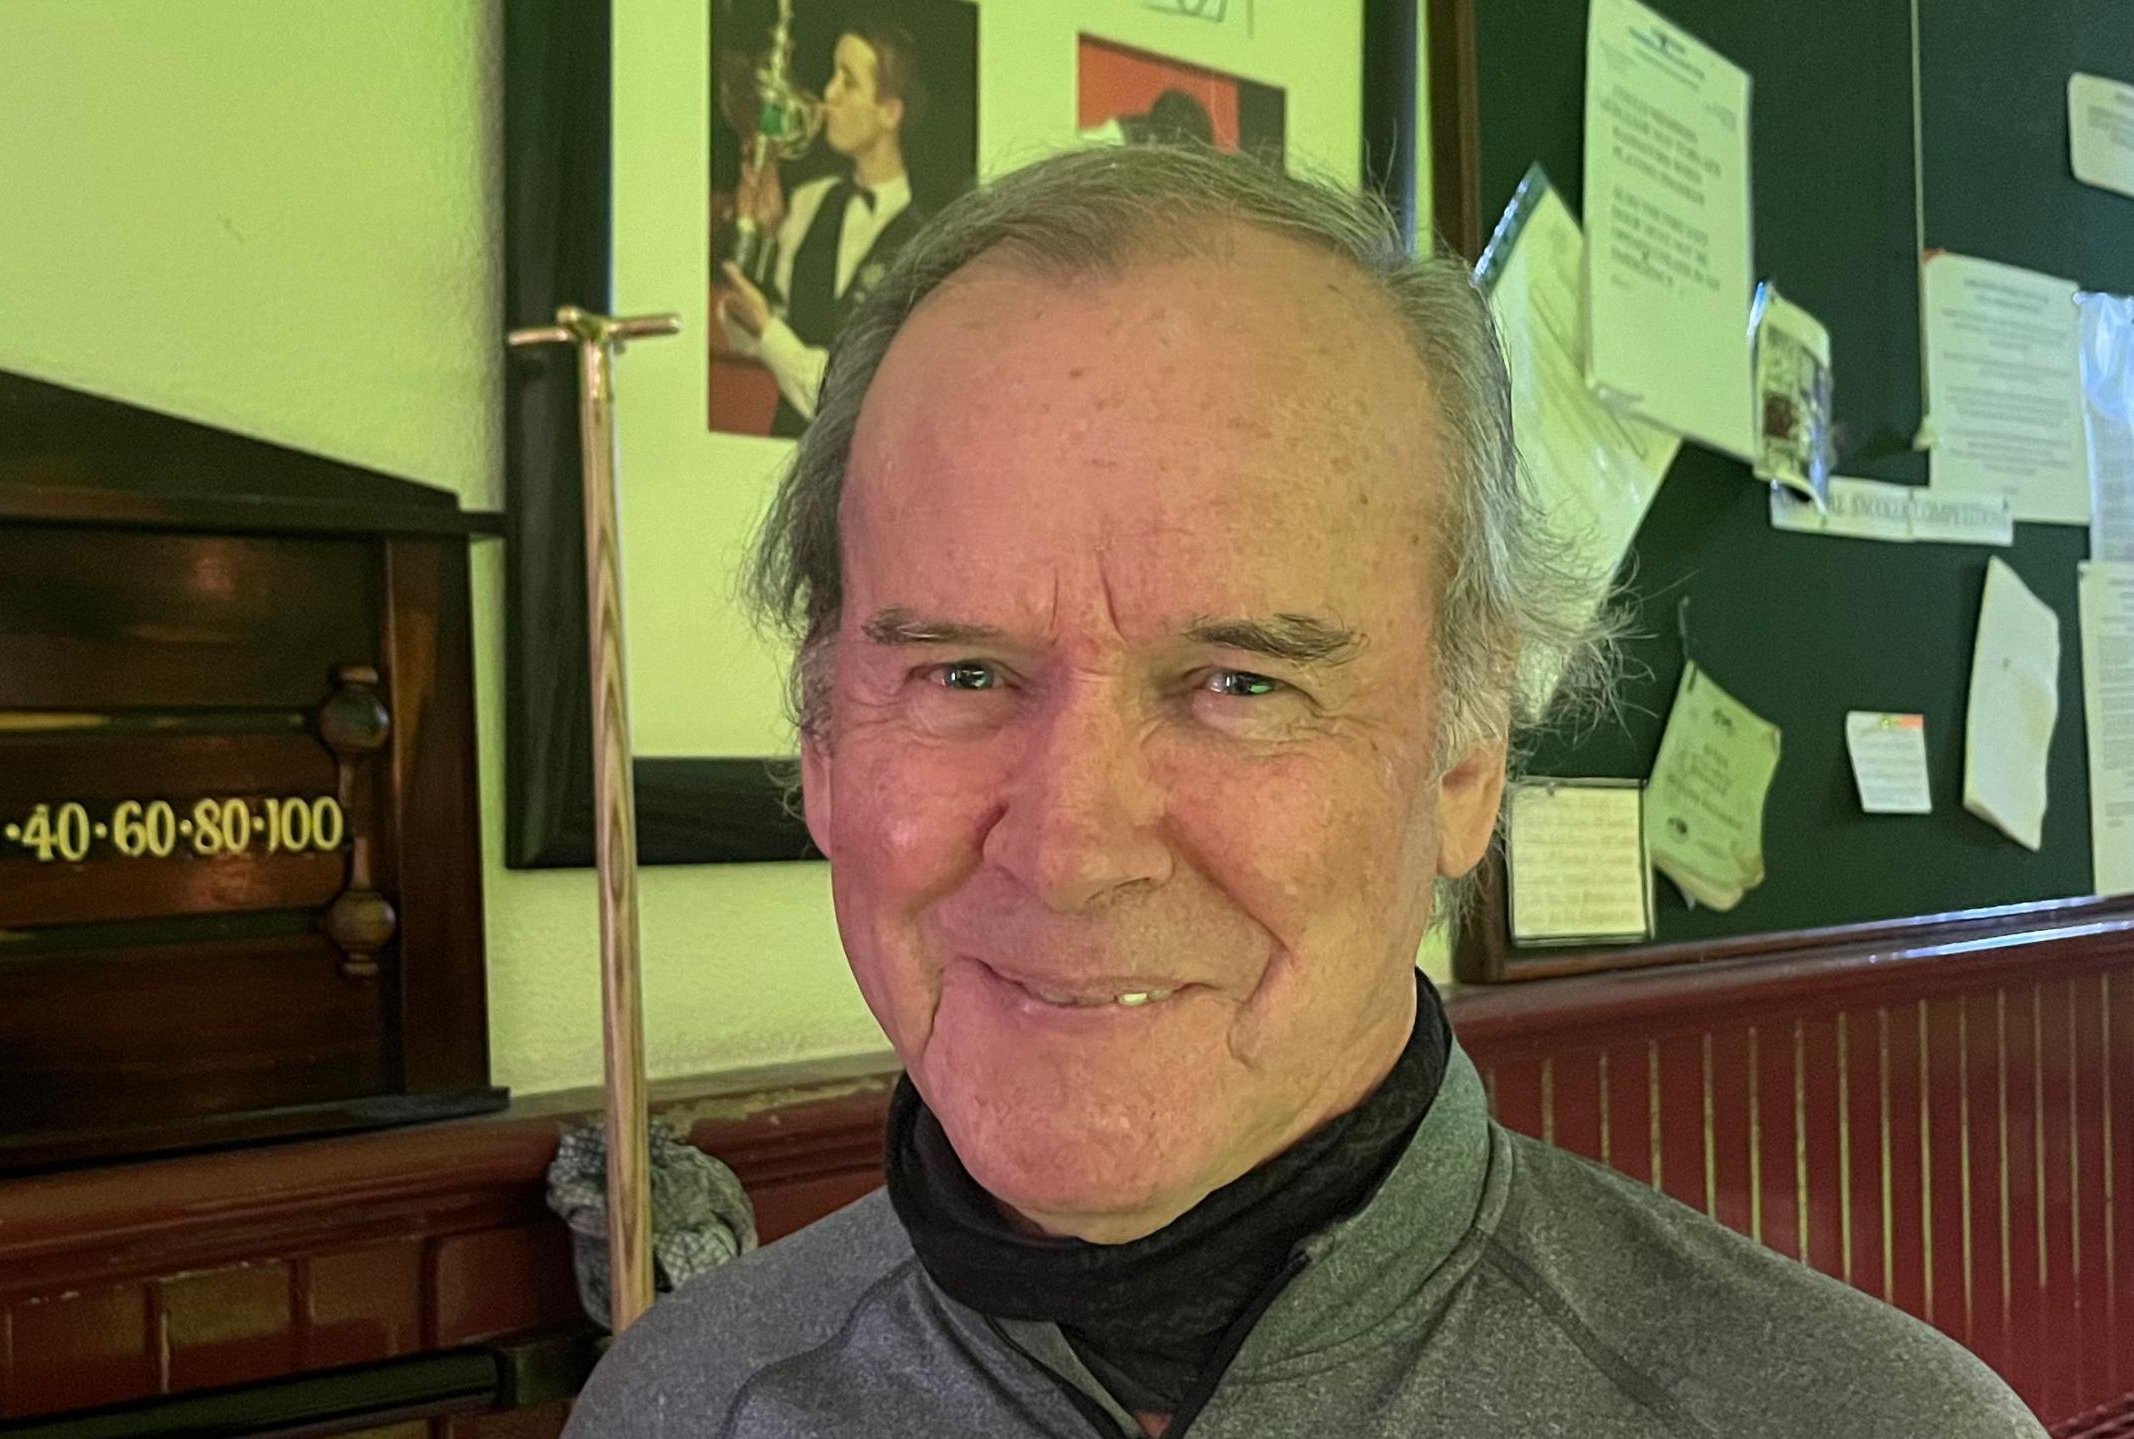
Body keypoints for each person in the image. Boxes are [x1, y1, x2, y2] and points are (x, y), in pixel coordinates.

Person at [571, 146, 2042, 1437]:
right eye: (961, 673)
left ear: (1466, 764)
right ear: (823, 743)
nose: (1074, 847)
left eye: (1240, 682)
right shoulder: (683, 1401)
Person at [719, 22, 925, 438]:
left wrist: (769, 334)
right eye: (833, 75)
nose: (828, 93)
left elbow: (857, 398)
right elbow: (744, 336)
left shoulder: (926, 242)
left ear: (890, 112)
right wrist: (756, 240)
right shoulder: (811, 200)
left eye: (847, 81)